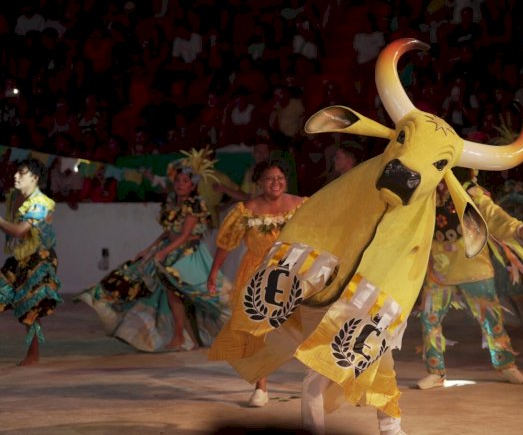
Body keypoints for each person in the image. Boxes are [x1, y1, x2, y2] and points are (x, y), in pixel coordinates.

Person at [416, 167, 523, 389]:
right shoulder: (426, 193)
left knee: (490, 320)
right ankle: (436, 371)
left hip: (473, 266)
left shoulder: (471, 193)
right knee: (429, 319)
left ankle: (506, 365)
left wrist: (517, 229)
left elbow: (492, 215)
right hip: (439, 268)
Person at [76, 151, 230, 352]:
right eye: (178, 181)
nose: (180, 184)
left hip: (188, 254)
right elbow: (169, 232)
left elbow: (184, 235)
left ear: (193, 185)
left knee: (181, 291)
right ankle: (181, 336)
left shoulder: (194, 203)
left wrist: (163, 252)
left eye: (185, 181)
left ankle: (181, 337)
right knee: (139, 276)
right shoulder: (173, 202)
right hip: (171, 250)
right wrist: (148, 249)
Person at [207, 160, 306, 407]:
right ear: (259, 183)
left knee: (306, 328)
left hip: (293, 270)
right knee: (257, 331)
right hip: (257, 274)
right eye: (270, 179)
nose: (276, 183)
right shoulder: (246, 210)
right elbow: (226, 244)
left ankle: (320, 381)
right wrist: (213, 272)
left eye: (280, 178)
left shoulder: (302, 204)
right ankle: (261, 387)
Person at [0, 158, 62, 366]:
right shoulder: (16, 197)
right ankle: (32, 354)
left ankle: (33, 355)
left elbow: (19, 231)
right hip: (21, 258)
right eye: (16, 172)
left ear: (34, 178)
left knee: (30, 308)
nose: (16, 176)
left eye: (22, 173)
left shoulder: (40, 203)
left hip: (39, 260)